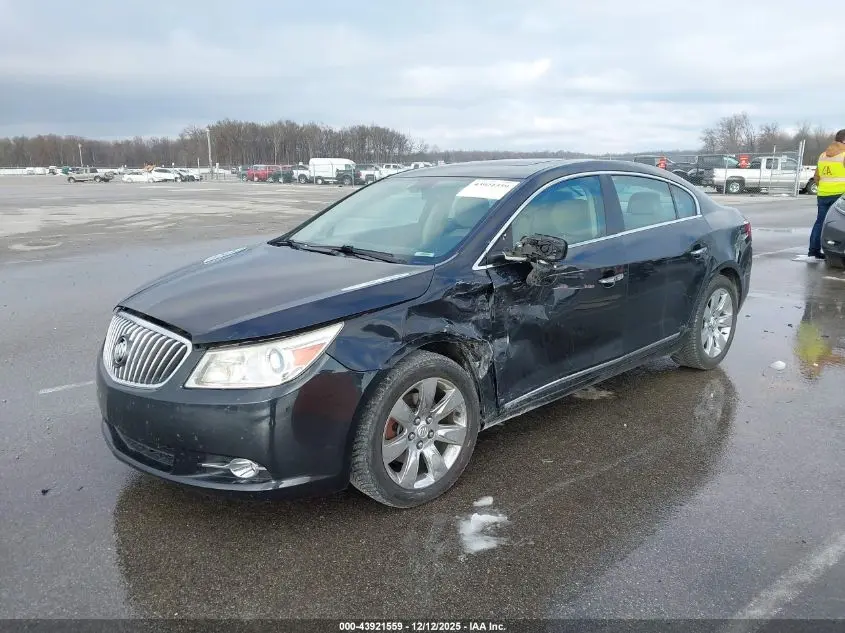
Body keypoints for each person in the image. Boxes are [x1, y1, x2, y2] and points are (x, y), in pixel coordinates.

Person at [808, 129, 845, 259]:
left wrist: (824, 188)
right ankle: (838, 250)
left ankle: (813, 251)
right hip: (840, 195)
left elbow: (817, 177)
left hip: (823, 194)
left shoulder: (823, 155)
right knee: (840, 224)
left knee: (820, 222)